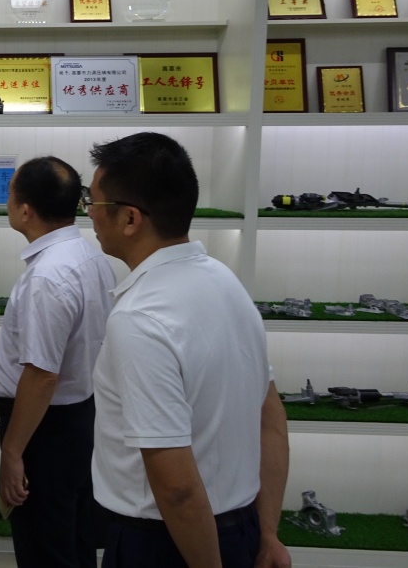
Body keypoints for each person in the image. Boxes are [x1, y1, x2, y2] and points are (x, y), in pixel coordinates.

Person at [85, 132, 291, 568]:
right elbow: (270, 417)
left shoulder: (139, 318)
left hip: (167, 543)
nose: (89, 213)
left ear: (130, 219)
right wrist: (268, 533)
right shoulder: (226, 284)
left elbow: (176, 488)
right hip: (240, 530)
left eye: (94, 202)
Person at [0, 156, 115, 568]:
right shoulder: (91, 257)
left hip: (43, 429)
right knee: (75, 540)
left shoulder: (48, 276)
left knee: (45, 548)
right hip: (78, 419)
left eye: (10, 193)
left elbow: (42, 376)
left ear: (25, 210)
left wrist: (12, 453)